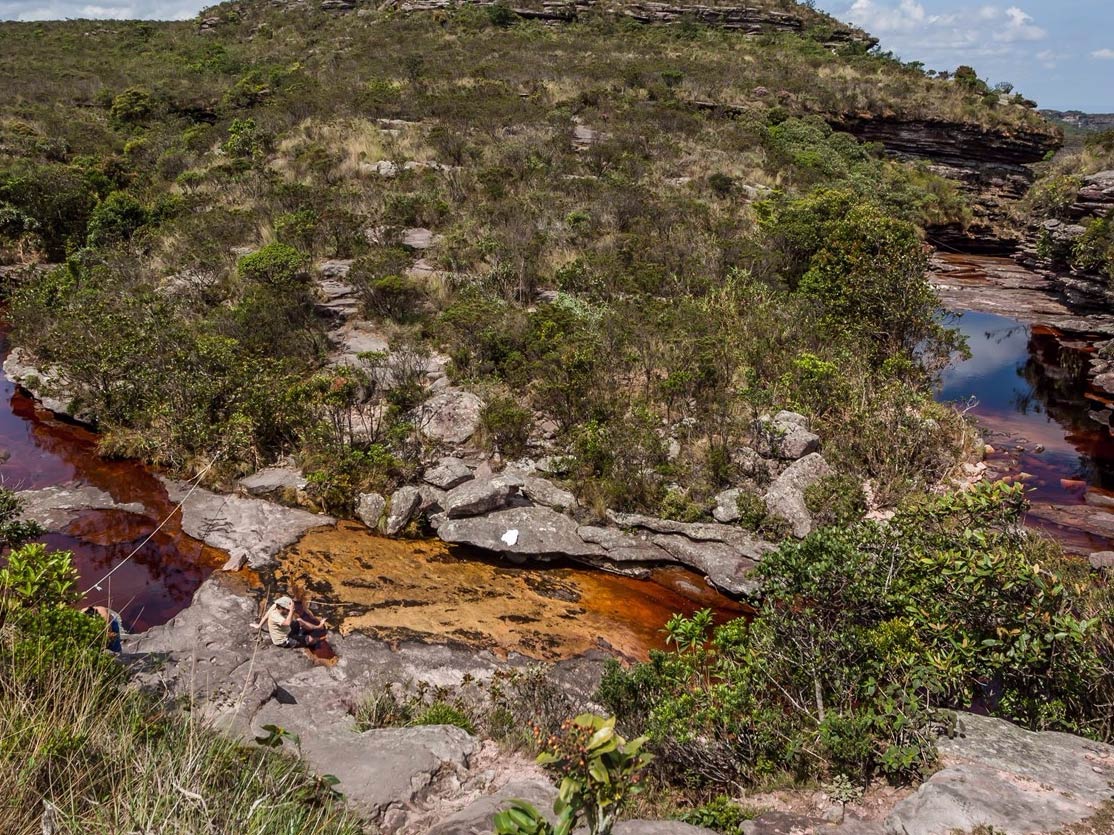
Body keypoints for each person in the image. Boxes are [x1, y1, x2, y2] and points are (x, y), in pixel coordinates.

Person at [252, 595, 328, 648]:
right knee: (310, 639)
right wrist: (291, 610)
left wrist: (259, 625)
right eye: (287, 610)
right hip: (284, 640)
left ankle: (318, 627)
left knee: (299, 621)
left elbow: (266, 615)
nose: (289, 611)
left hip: (286, 630)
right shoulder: (275, 616)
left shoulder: (276, 605)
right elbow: (287, 623)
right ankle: (321, 639)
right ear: (282, 608)